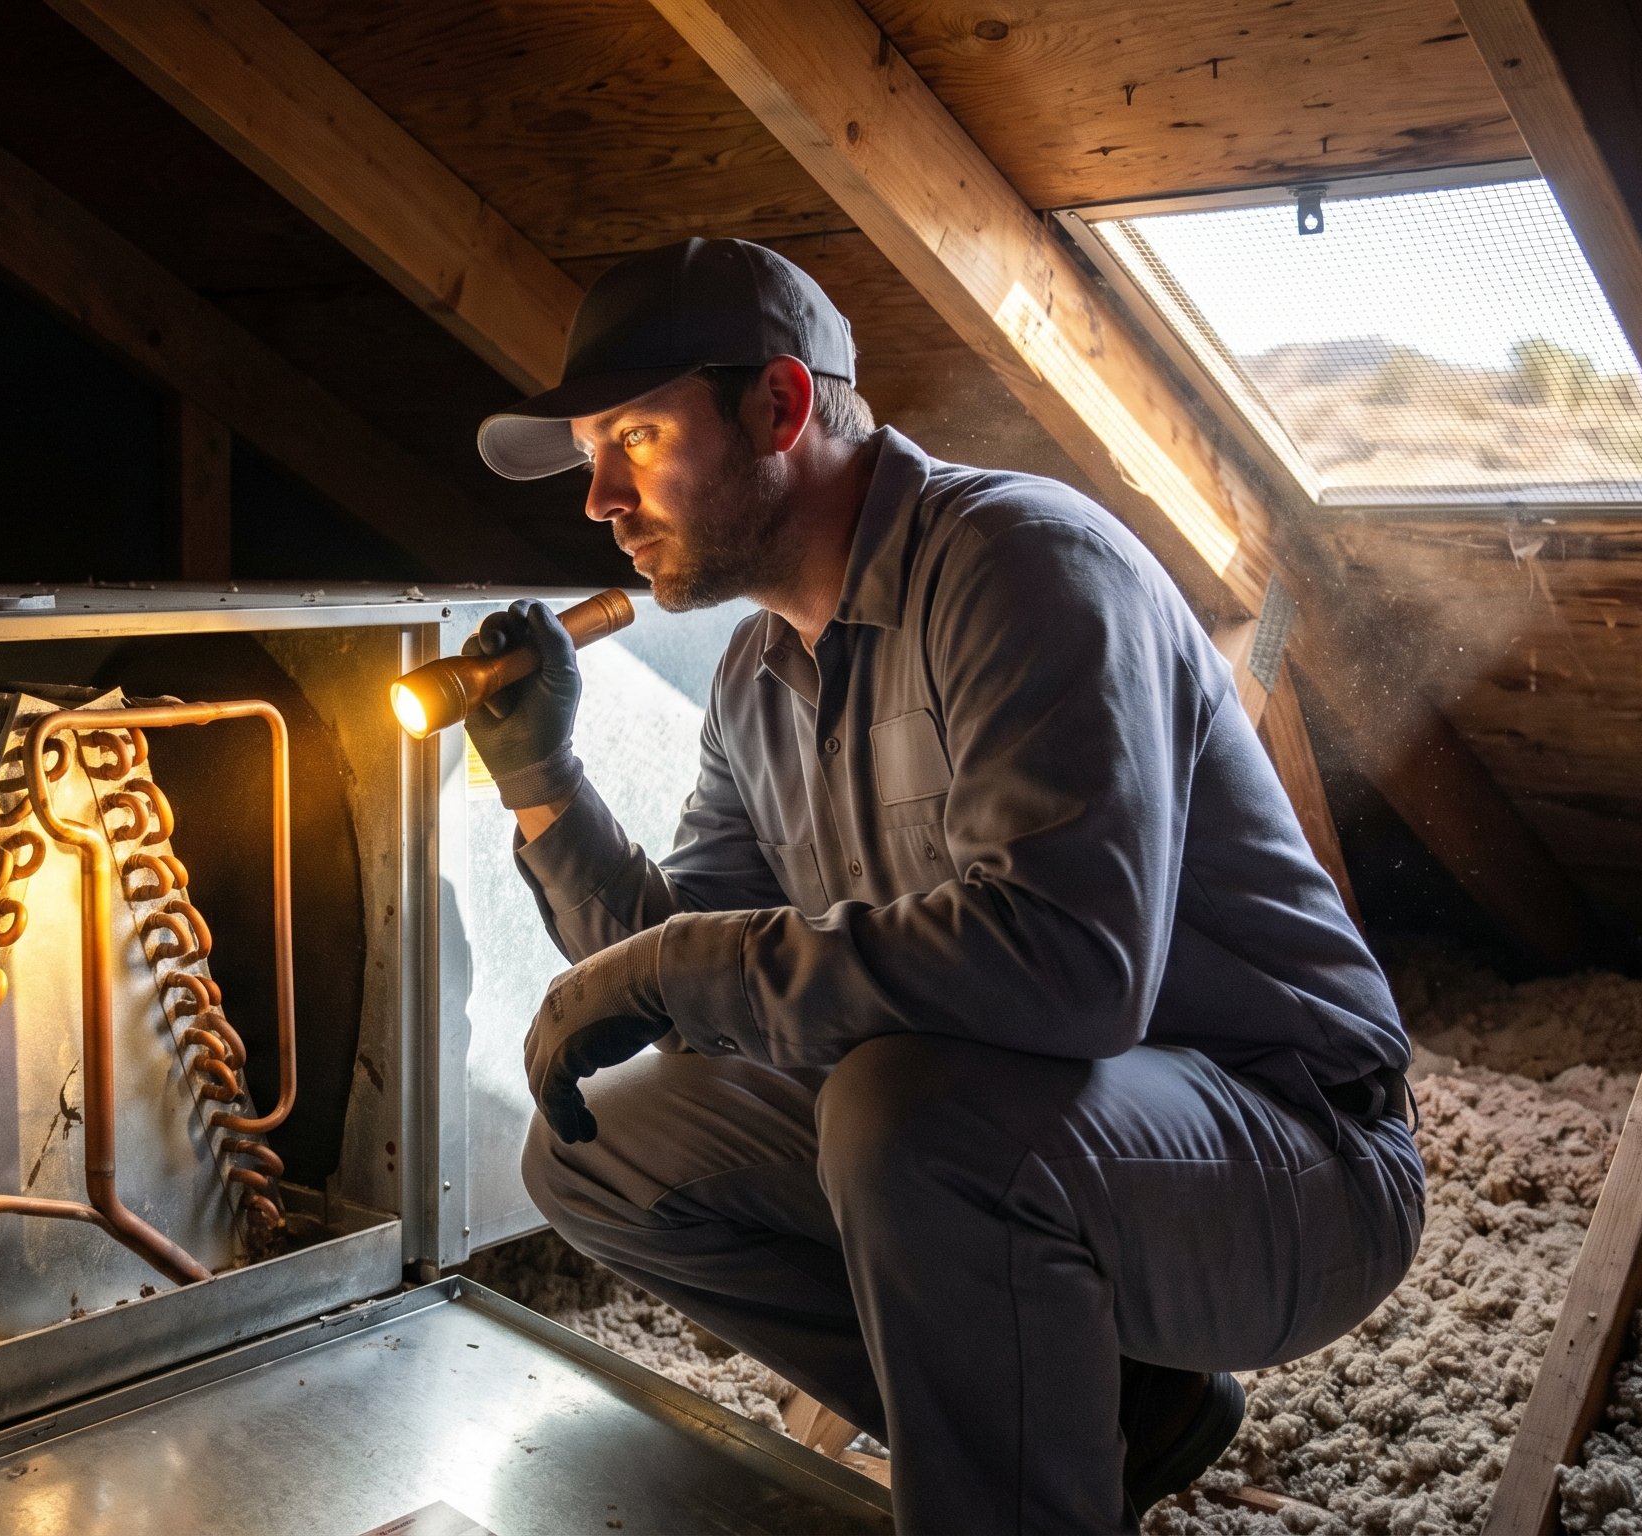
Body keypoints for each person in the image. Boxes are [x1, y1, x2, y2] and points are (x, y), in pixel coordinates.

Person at [462, 237, 1426, 1534]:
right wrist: (545, 787)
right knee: (596, 1152)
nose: (600, 498)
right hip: (1010, 1126)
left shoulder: (1025, 567)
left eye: (633, 436)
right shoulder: (758, 676)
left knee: (906, 1112)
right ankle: (1114, 1415)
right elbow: (681, 988)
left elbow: (1071, 974)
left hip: (1290, 1159)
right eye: (590, 454)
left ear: (783, 406)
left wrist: (675, 969)